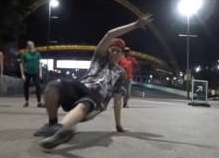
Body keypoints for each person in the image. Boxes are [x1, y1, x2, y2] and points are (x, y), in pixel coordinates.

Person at [35, 14, 153, 150]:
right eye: (112, 49)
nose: (115, 52)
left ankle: (62, 131)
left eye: (118, 51)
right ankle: (52, 124)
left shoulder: (121, 73)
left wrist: (118, 125)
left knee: (85, 103)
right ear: (108, 50)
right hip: (81, 86)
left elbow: (117, 99)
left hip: (97, 98)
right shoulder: (99, 58)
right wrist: (134, 25)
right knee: (53, 86)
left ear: (122, 54)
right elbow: (109, 35)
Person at [19, 41, 44, 107]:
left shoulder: (37, 54)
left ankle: (39, 102)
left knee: (38, 86)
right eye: (29, 45)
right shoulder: (24, 54)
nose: (30, 46)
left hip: (36, 72)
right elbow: (21, 64)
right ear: (27, 46)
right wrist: (22, 75)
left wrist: (40, 73)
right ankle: (26, 101)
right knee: (26, 87)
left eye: (31, 45)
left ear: (33, 46)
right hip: (27, 72)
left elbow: (40, 64)